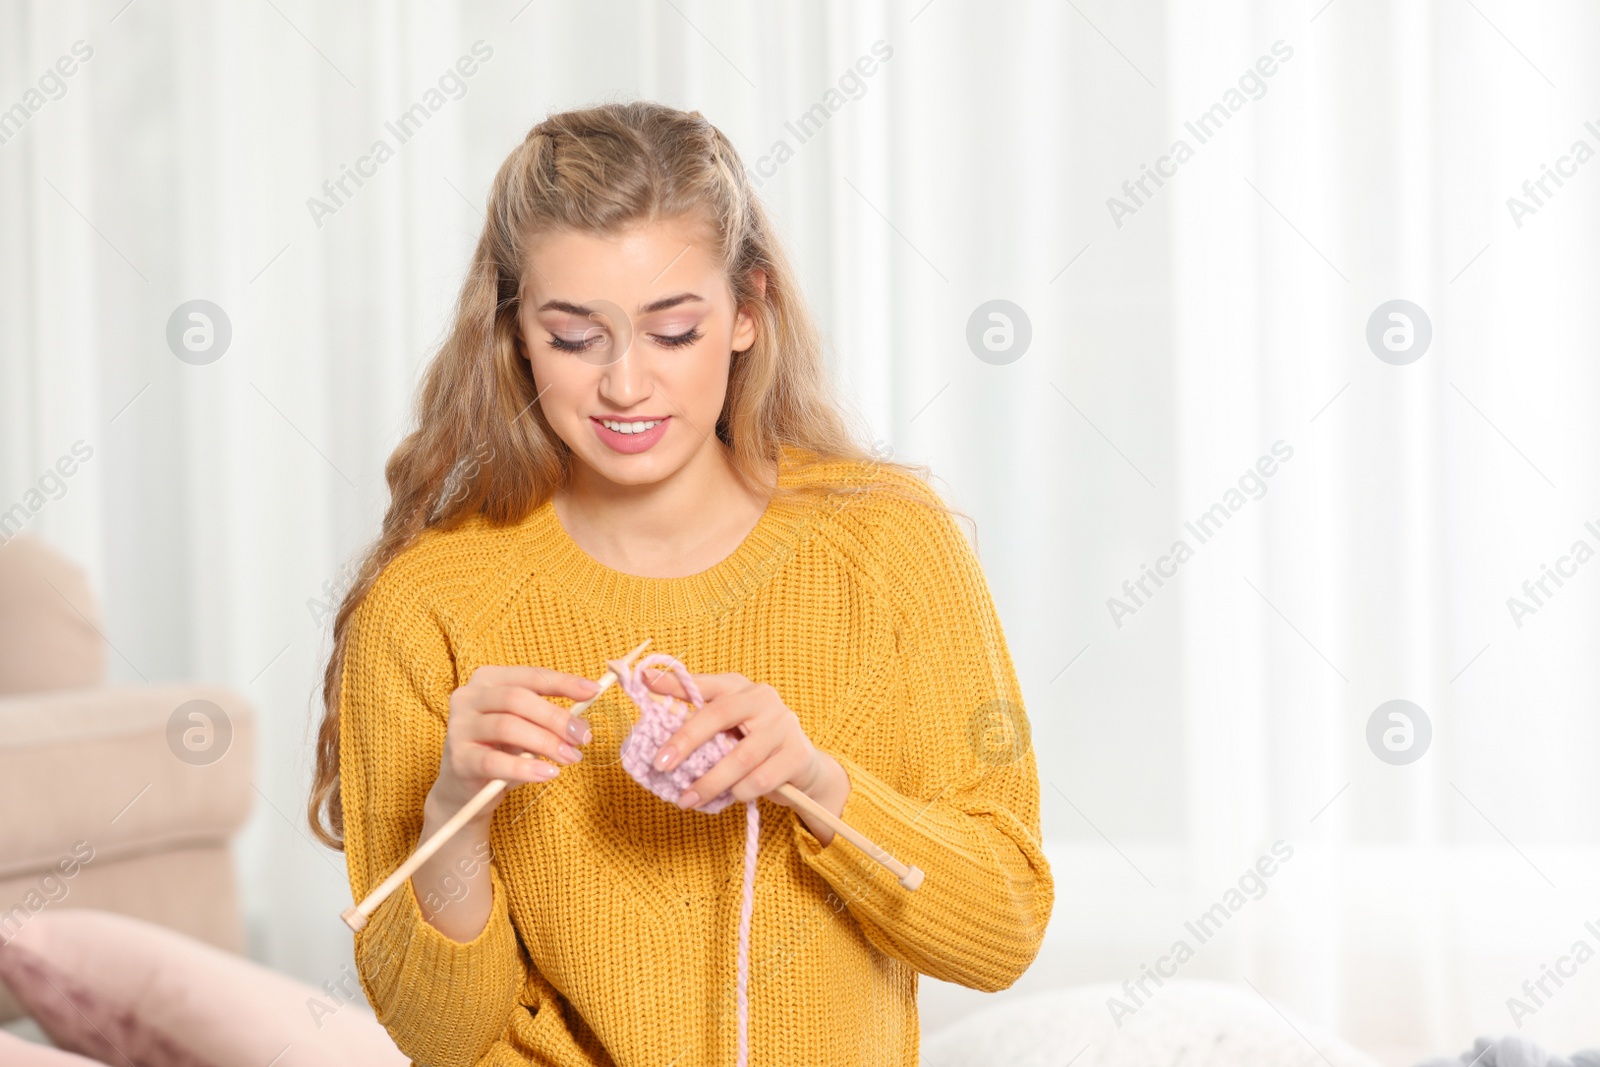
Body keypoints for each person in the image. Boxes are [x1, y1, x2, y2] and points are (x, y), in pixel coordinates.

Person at [307, 100, 1053, 1067]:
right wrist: (454, 810)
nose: (625, 386)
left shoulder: (890, 545)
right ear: (515, 332)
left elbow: (1004, 931)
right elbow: (440, 1038)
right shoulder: (429, 606)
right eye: (576, 338)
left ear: (748, 310)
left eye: (673, 331)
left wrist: (816, 783)